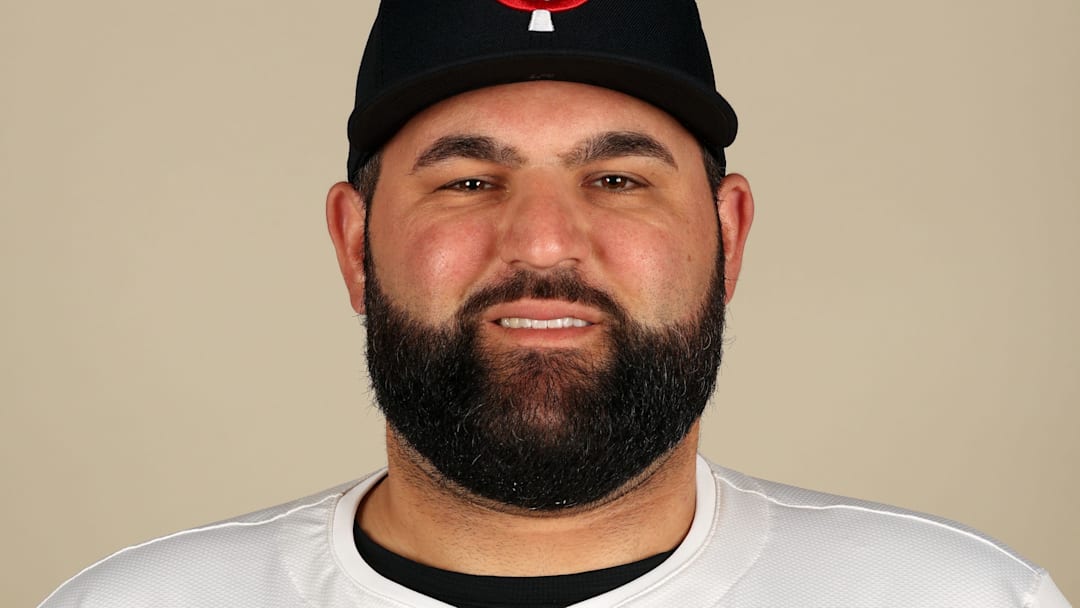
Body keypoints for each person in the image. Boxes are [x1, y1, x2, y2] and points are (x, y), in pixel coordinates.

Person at [38, 1, 1072, 606]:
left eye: (618, 178)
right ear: (356, 243)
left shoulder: (954, 598)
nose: (540, 242)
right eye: (467, 179)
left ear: (731, 234)